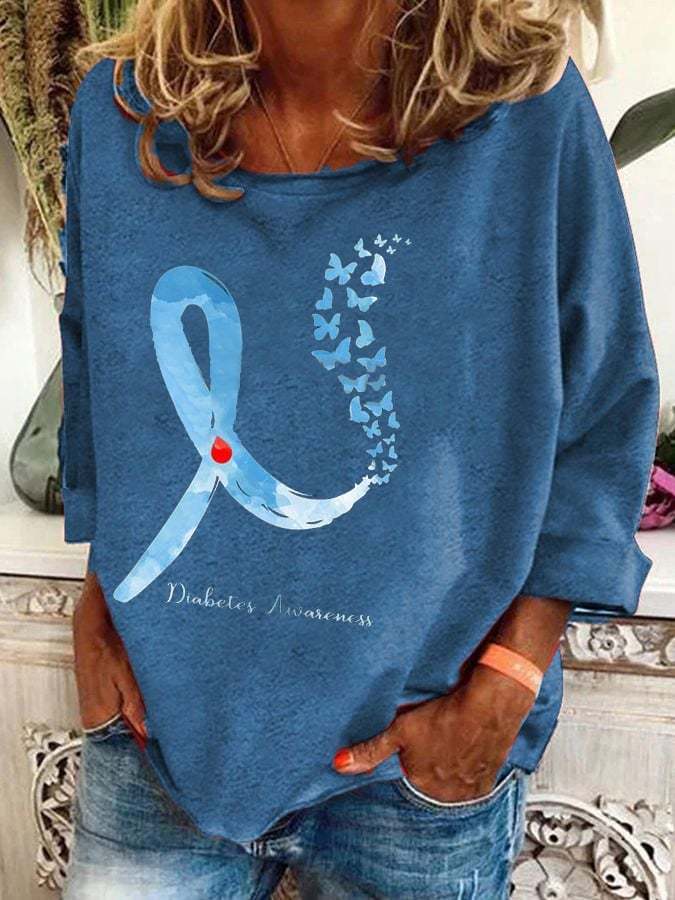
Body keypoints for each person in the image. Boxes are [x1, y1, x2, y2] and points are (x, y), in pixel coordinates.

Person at [58, 1, 659, 897]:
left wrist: (509, 674)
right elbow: (103, 379)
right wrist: (97, 604)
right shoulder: (122, 115)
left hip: (414, 762)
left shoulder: (525, 109)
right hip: (157, 738)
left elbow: (603, 408)